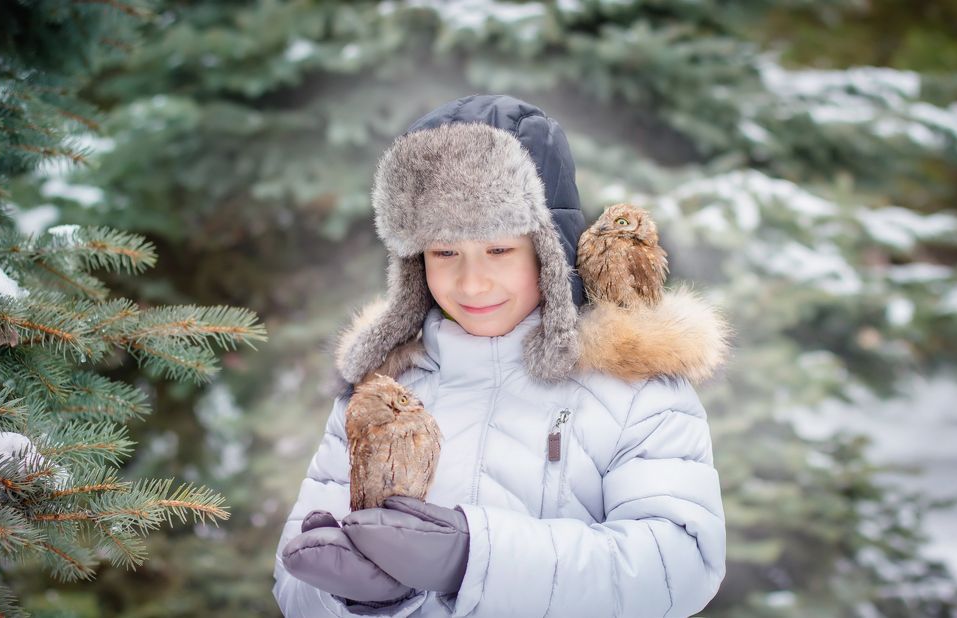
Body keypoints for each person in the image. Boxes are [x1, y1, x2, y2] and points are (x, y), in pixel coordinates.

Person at [272, 94, 727, 617]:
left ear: (549, 249)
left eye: (499, 250)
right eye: (444, 252)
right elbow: (293, 582)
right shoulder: (382, 391)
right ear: (414, 262)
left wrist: (475, 560)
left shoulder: (635, 387)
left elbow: (679, 566)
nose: (471, 281)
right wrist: (352, 597)